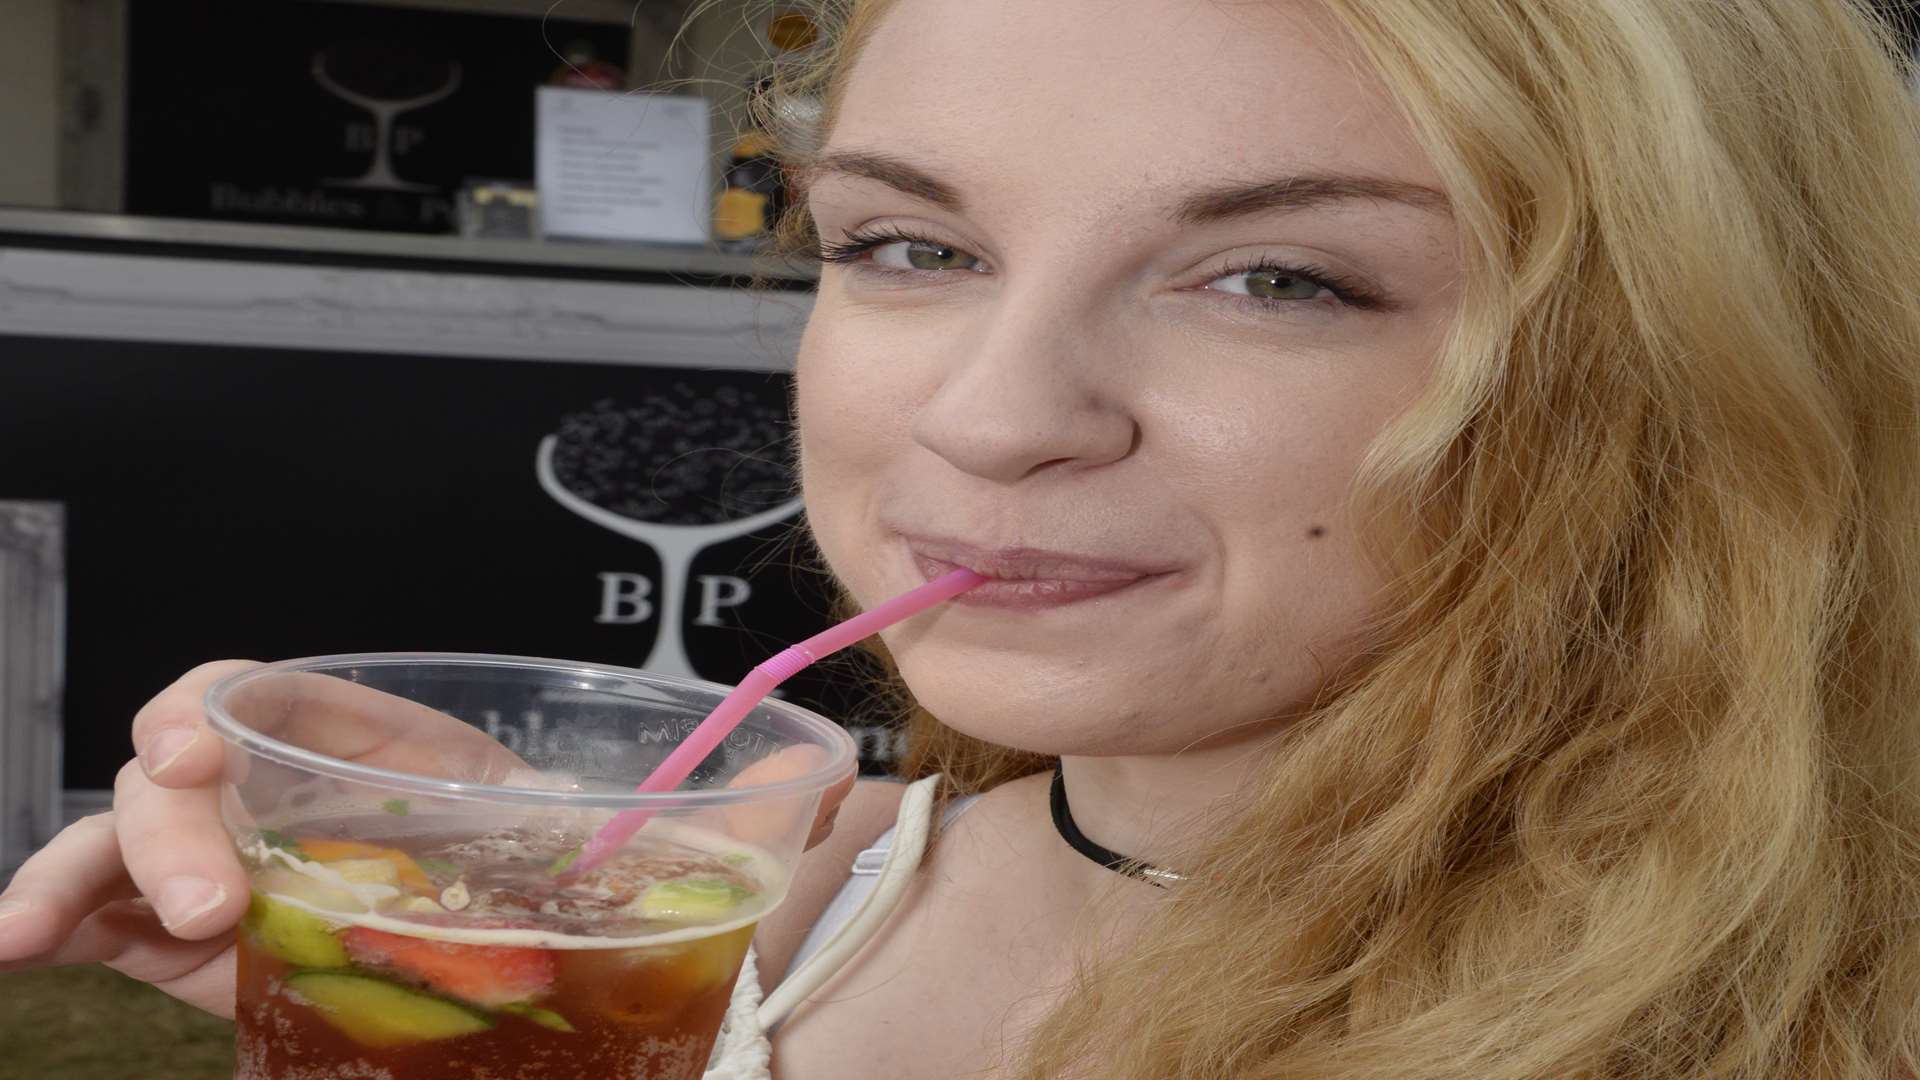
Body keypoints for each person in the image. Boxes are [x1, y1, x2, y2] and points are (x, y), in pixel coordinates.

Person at [8, 0, 1920, 1076]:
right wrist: (509, 1008)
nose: (992, 416)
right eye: (912, 246)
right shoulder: (816, 890)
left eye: (1276, 276)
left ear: (1677, 372)